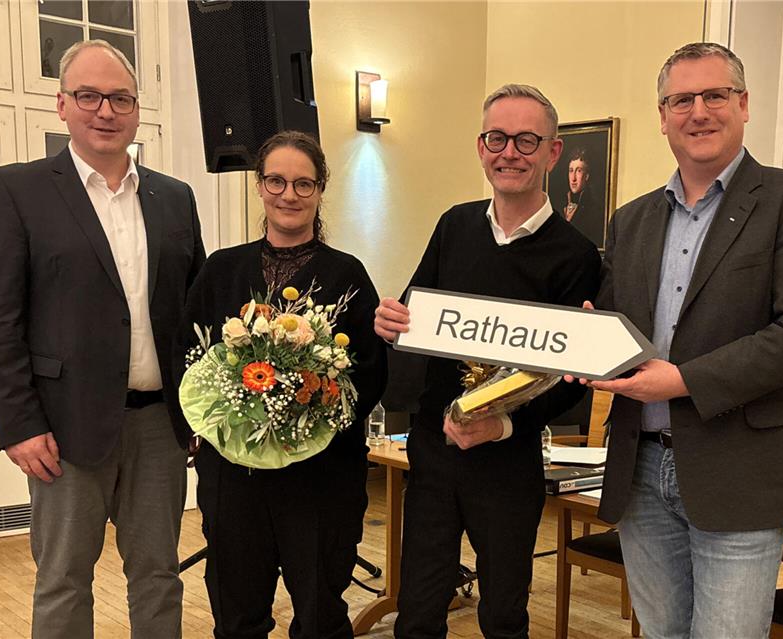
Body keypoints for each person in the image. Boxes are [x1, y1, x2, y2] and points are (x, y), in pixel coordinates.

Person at [570, 42, 783, 638]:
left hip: (739, 473)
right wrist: (584, 341)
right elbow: (622, 329)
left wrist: (685, 379)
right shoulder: (633, 219)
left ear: (743, 105)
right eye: (681, 99)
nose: (699, 111)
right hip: (641, 470)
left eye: (715, 95)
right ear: (662, 115)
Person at [0, 40, 206, 638]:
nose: (105, 110)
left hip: (160, 427)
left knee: (158, 575)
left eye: (120, 98)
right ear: (62, 105)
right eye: (89, 96)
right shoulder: (17, 191)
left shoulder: (174, 197)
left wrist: (204, 410)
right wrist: (19, 424)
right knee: (64, 578)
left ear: (136, 108)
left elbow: (194, 313)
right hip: (61, 427)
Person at [374, 84, 601, 639]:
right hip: (436, 449)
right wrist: (390, 326)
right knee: (419, 610)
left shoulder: (576, 255)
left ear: (553, 153)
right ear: (481, 148)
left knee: (503, 615)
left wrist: (504, 423)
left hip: (508, 459)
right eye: (497, 138)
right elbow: (417, 317)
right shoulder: (454, 225)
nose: (509, 152)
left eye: (527, 140)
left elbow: (572, 381)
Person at [179, 131, 387, 639]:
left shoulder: (348, 275)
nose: (288, 194)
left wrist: (314, 408)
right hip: (234, 478)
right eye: (276, 180)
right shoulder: (220, 270)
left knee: (319, 614)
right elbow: (187, 357)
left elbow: (372, 371)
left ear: (320, 190)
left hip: (321, 479)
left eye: (302, 183)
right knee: (237, 612)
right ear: (260, 185)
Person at [563, 149, 603, 245]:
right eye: (571, 171)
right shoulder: (559, 202)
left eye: (579, 171)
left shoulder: (594, 209)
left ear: (587, 176)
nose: (573, 178)